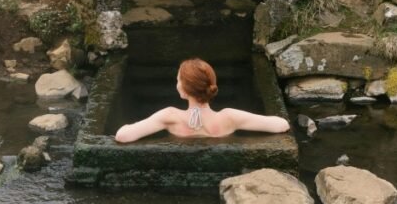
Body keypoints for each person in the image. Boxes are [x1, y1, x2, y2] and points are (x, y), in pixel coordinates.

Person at [115, 58, 290, 143]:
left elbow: (122, 136)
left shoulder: (170, 116)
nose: (177, 84)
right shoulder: (230, 117)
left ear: (183, 88)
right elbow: (281, 125)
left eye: (178, 80)